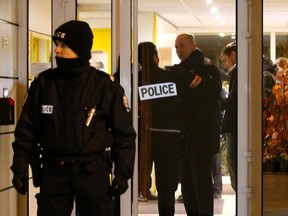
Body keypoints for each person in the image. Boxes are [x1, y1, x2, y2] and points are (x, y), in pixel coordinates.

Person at [10, 20, 136, 216]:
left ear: (80, 48)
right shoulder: (44, 84)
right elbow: (26, 130)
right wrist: (19, 167)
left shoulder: (104, 86)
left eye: (63, 46)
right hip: (54, 172)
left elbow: (124, 134)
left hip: (93, 172)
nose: (57, 51)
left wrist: (123, 173)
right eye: (56, 45)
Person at [138, 41, 191, 215]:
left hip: (142, 137)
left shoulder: (132, 79)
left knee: (134, 182)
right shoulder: (169, 78)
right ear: (155, 57)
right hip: (168, 137)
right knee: (166, 188)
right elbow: (181, 105)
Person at [174, 33, 222, 216]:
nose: (179, 50)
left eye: (182, 45)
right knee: (187, 188)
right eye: (176, 46)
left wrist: (186, 77)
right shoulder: (178, 71)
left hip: (201, 139)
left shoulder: (207, 69)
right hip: (184, 139)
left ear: (194, 46)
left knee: (201, 185)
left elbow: (209, 99)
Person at [220, 41, 237, 193]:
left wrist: (216, 102)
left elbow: (233, 100)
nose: (225, 65)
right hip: (236, 126)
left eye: (225, 60)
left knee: (233, 160)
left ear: (233, 55)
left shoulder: (237, 73)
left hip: (235, 127)